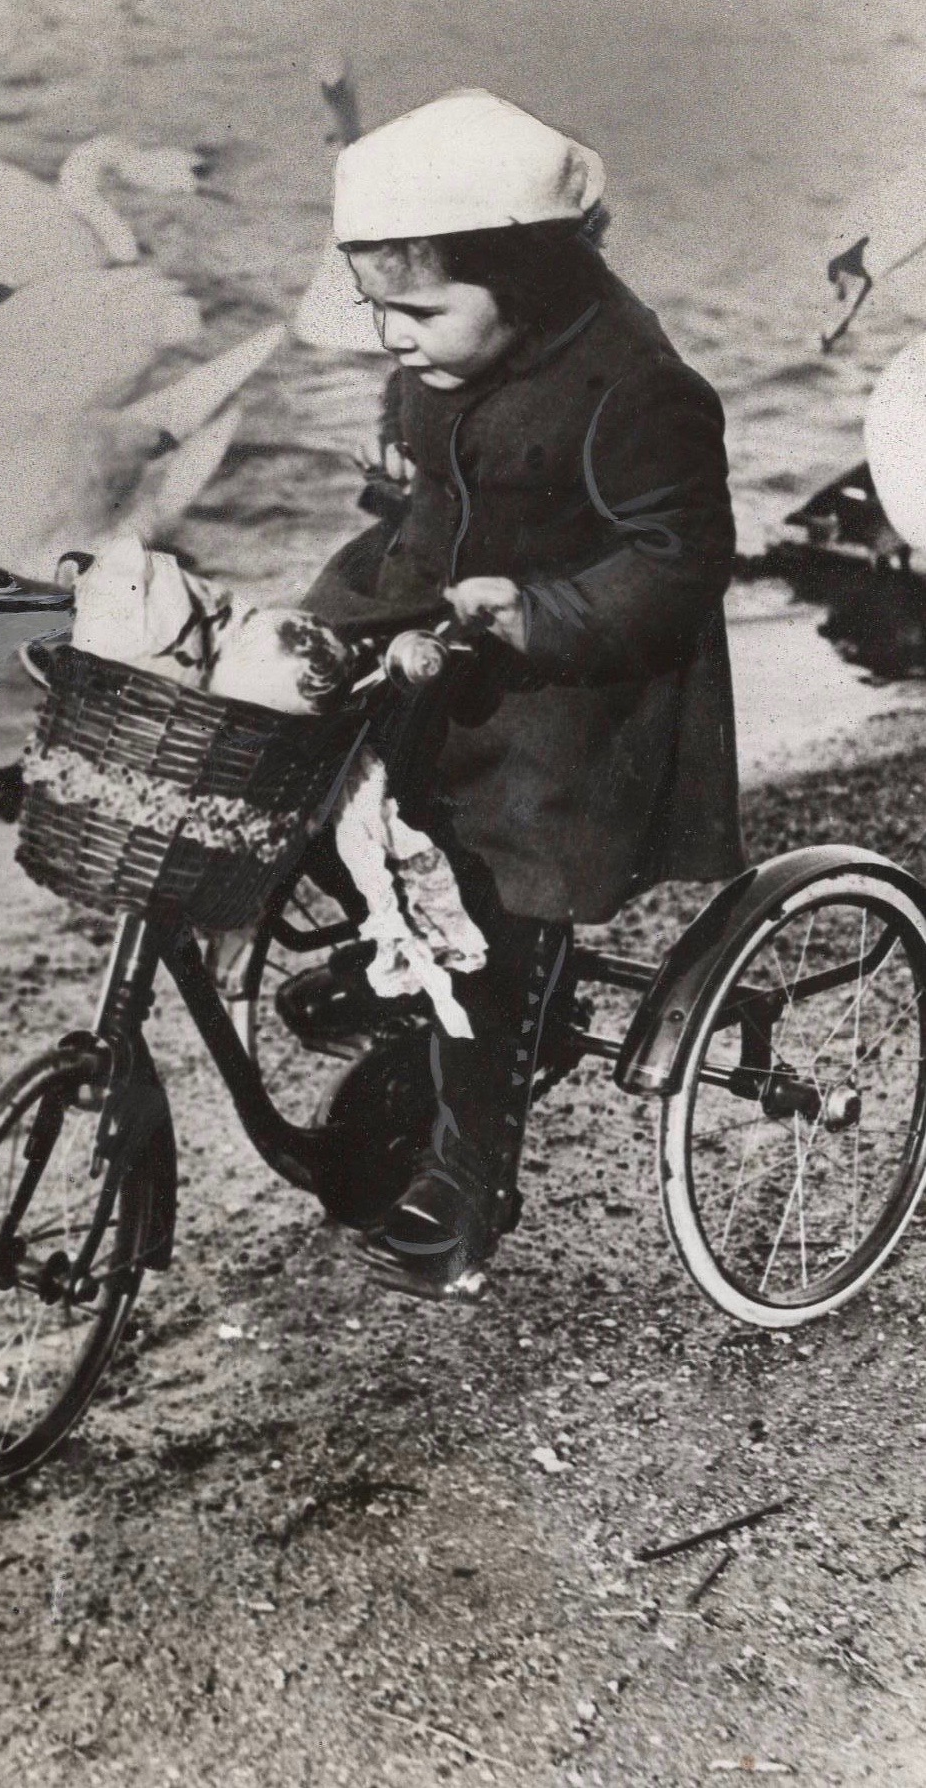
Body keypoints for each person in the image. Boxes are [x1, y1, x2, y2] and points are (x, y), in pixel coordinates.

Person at [295, 89, 745, 1299]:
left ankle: (471, 1173)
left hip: (582, 690)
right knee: (307, 756)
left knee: (497, 899)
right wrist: (392, 520)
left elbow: (679, 560)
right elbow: (434, 503)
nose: (393, 338)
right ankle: (401, 958)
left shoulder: (636, 390)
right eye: (375, 308)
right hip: (447, 623)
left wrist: (536, 615)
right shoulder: (445, 360)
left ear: (531, 284)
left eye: (420, 311)